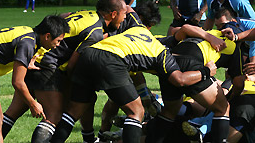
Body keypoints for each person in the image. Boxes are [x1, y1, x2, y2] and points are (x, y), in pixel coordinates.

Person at [0, 0, 142, 143]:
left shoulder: (87, 14)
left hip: (34, 58)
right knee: (54, 116)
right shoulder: (95, 33)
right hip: (47, 67)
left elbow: (63, 15)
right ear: (113, 14)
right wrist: (70, 83)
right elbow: (72, 64)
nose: (124, 19)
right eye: (123, 15)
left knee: (12, 113)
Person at [50, 23, 218, 143]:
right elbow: (179, 79)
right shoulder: (163, 53)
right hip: (111, 60)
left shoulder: (139, 29)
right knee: (136, 111)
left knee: (72, 113)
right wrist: (206, 72)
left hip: (90, 54)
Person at [0, 15, 69, 143]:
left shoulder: (28, 34)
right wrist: (33, 104)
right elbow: (17, 82)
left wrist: (27, 62)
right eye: (59, 40)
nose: (58, 45)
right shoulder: (28, 43)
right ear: (47, 36)